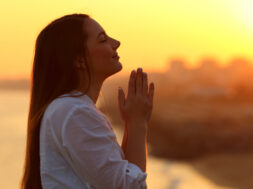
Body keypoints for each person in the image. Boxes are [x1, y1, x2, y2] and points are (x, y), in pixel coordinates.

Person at [20, 13, 154, 189]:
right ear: (79, 60)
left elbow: (122, 176)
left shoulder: (69, 109)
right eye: (103, 39)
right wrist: (138, 124)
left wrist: (132, 124)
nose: (116, 43)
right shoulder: (74, 111)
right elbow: (128, 186)